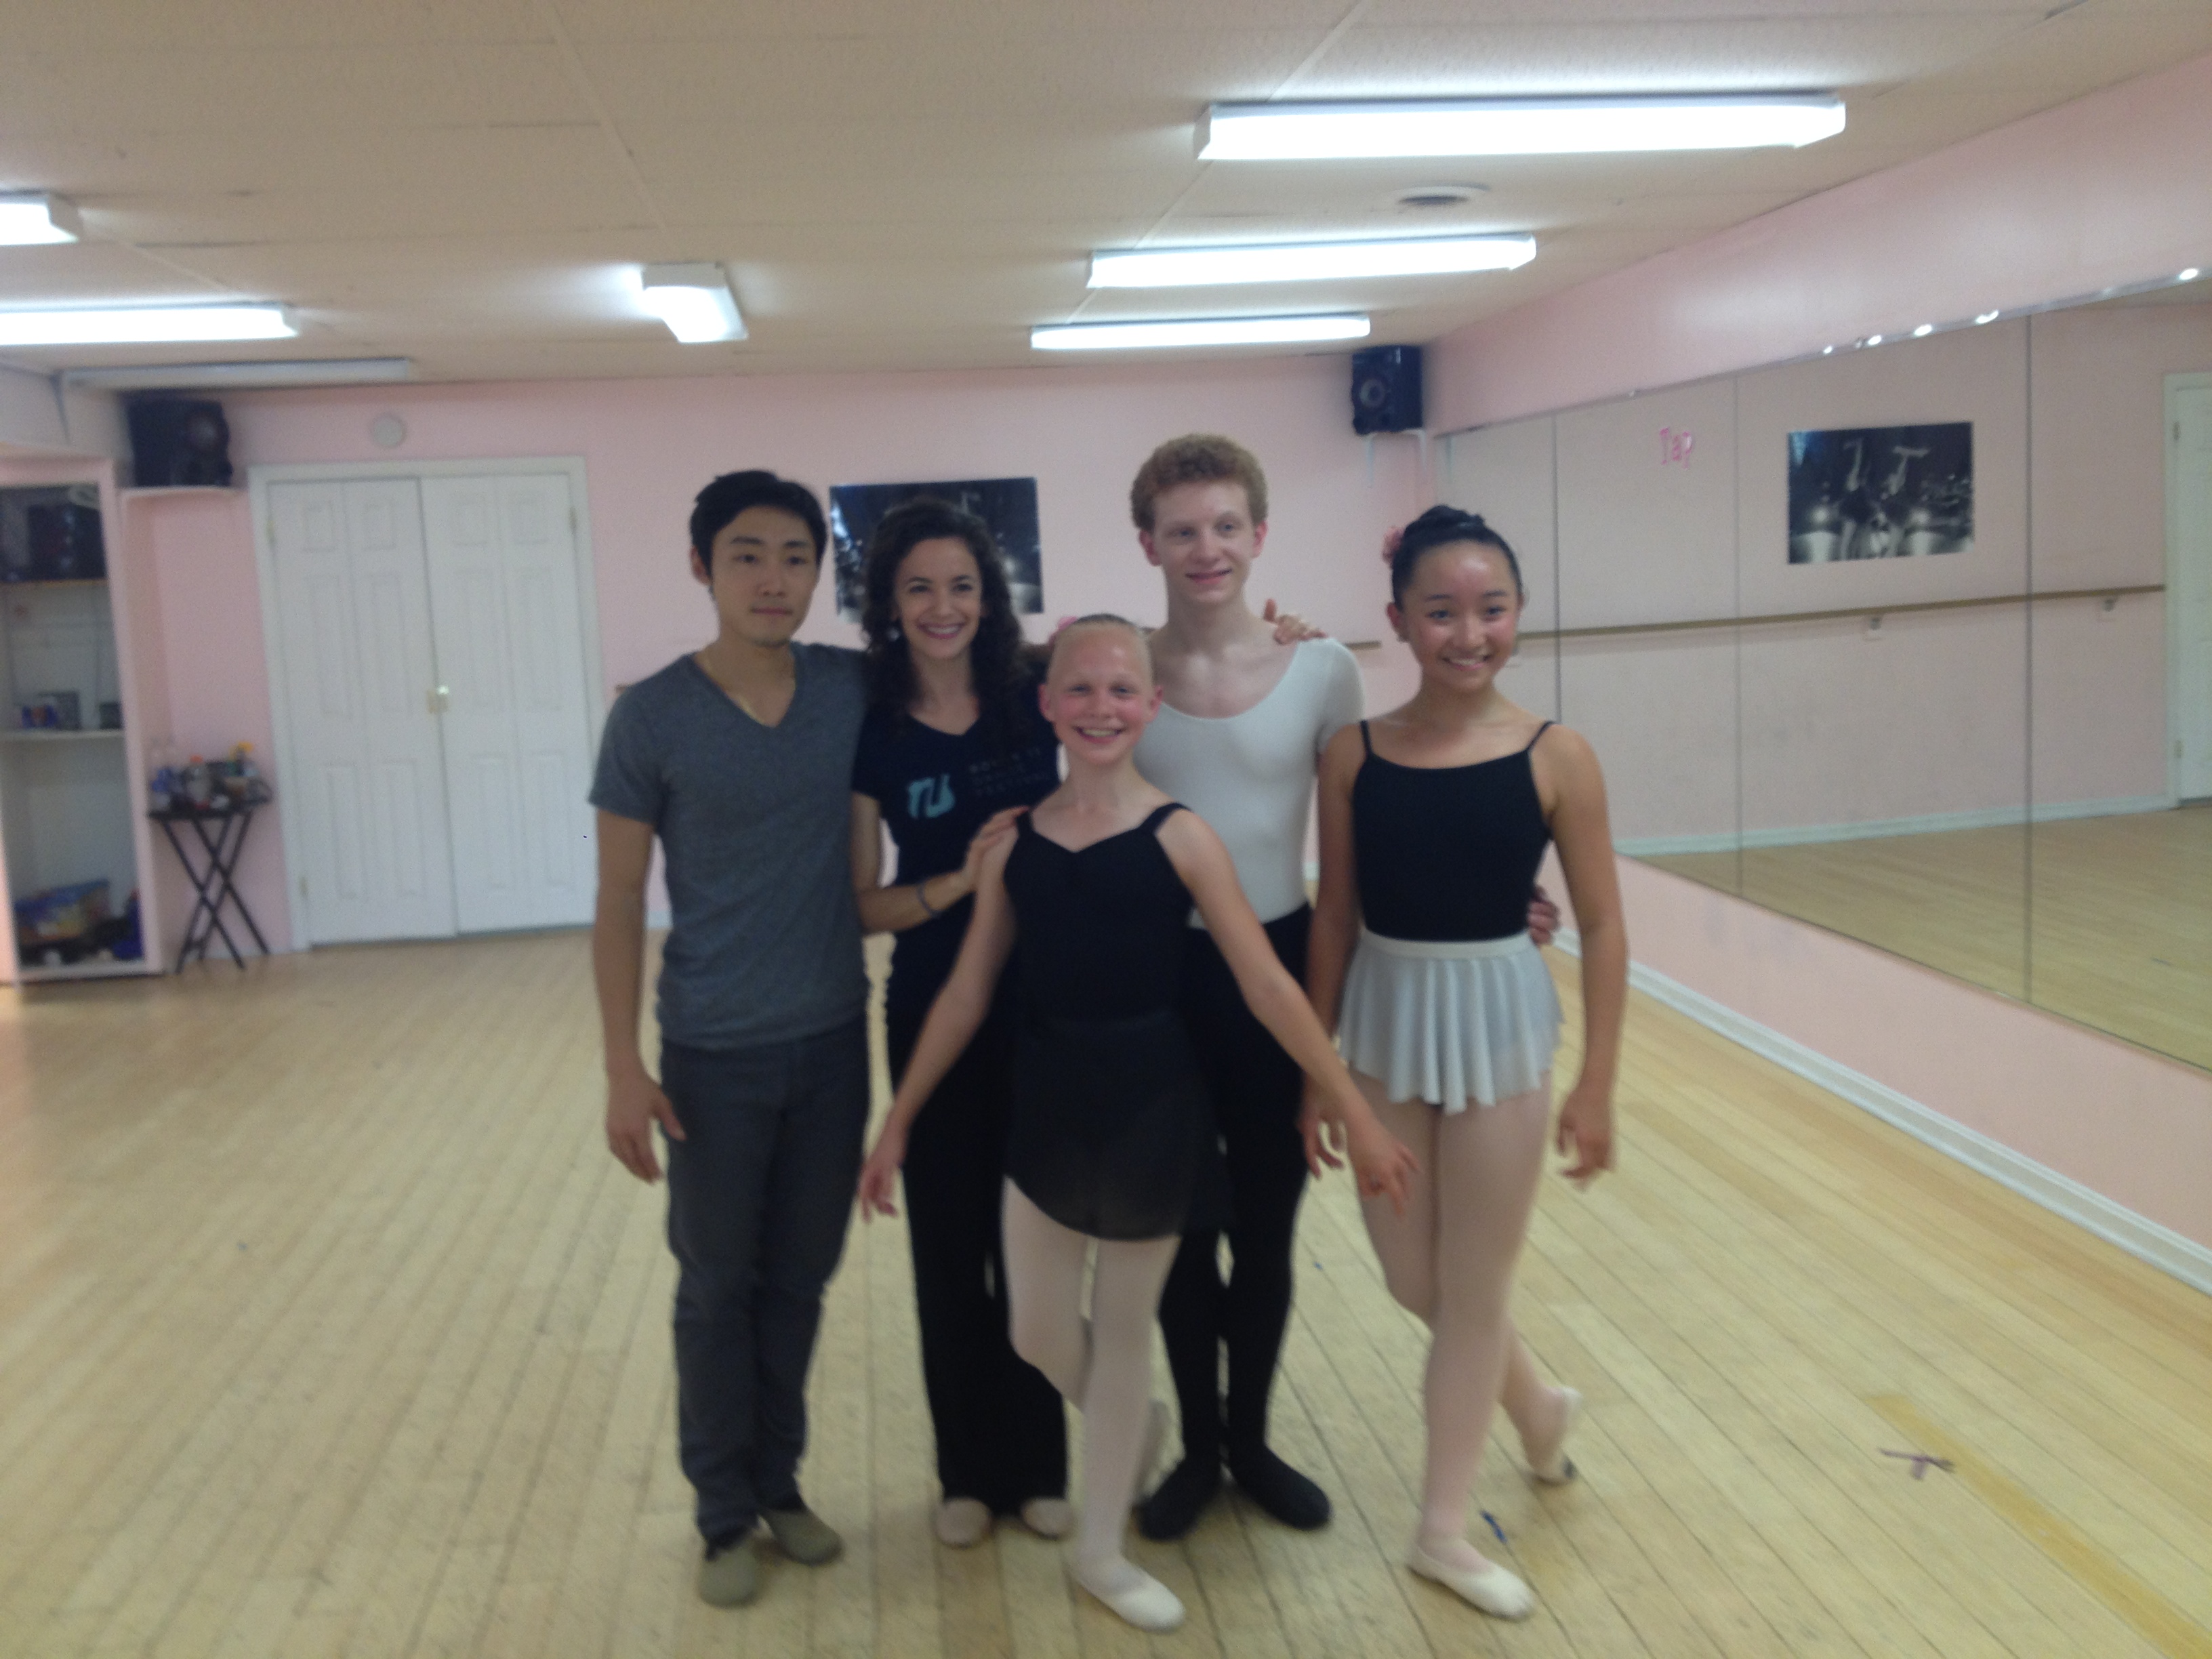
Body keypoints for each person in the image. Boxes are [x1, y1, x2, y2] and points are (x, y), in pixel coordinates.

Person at [857, 617, 1418, 1634]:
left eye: (1123, 690)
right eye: (1080, 689)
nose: (1102, 707)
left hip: (1154, 1110)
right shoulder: (1016, 844)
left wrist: (1353, 1110)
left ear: (1152, 707)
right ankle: (1140, 1424)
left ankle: (1102, 1552)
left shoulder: (1184, 837)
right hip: (1046, 1106)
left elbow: (1267, 986)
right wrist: (898, 1120)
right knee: (1036, 1330)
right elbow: (968, 992)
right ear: (1046, 704)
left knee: (1121, 1335)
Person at [1125, 435, 1557, 1541]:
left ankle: (1251, 1444)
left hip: (1279, 972)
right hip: (1157, 981)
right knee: (1180, 1230)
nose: (1207, 548)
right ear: (1148, 544)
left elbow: (1379, 828)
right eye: (1183, 530)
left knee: (1266, 1225)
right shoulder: (1124, 670)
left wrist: (1489, 896)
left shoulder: (1320, 669)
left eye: (1227, 526)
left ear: (1260, 535)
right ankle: (1199, 1451)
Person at [1303, 505, 1626, 1621]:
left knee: (1476, 1288)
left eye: (1491, 609)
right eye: (1441, 611)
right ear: (1399, 621)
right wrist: (1318, 1072)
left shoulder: (1557, 755)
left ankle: (1441, 1530)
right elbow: (1334, 915)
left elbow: (1605, 926)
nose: (1469, 632)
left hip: (1500, 1025)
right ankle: (1537, 1408)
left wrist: (1597, 1083)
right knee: (1415, 1281)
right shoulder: (1353, 754)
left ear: (1520, 614)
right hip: (1385, 1022)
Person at [590, 470, 865, 1610]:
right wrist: (623, 1068)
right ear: (702, 567)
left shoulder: (851, 687)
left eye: (796, 557)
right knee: (716, 1289)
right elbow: (618, 900)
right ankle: (721, 1516)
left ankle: (779, 1485)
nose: (773, 578)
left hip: (834, 1043)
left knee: (799, 1281)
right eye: (747, 555)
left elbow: (999, 668)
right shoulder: (651, 716)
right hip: (711, 1054)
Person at [846, 499, 1070, 1547]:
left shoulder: (1037, 692)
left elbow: (1146, 666)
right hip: (931, 1005)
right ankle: (967, 1475)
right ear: (890, 604)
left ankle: (1042, 1466)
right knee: (948, 1251)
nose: (944, 607)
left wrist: (1287, 629)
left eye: (963, 586)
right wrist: (960, 882)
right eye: (920, 588)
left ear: (990, 595)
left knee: (1036, 1243)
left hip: (1046, 1006)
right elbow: (864, 906)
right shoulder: (874, 729)